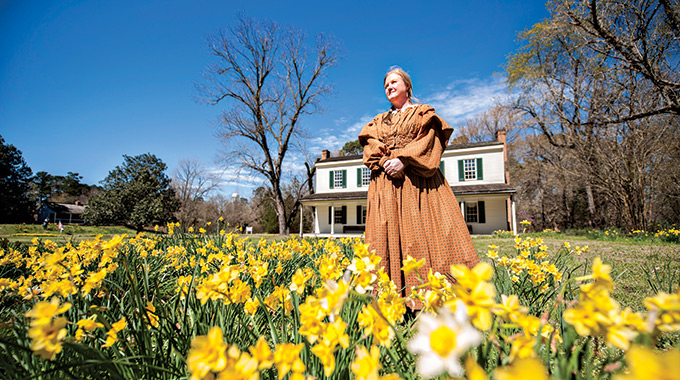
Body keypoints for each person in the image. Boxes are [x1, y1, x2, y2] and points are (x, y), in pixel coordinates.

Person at [358, 67, 480, 305]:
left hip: (419, 183)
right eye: (385, 85)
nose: (389, 87)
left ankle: (438, 296)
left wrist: (403, 159)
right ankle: (388, 298)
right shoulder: (378, 121)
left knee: (430, 234)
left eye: (394, 82)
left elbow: (430, 141)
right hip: (386, 185)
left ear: (407, 86)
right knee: (384, 239)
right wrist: (385, 161)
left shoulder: (423, 113)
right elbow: (370, 145)